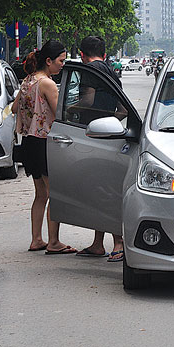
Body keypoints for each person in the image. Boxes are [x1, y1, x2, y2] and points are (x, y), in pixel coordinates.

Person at [12, 40, 77, 255]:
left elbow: (14, 108)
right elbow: (61, 113)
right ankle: (54, 241)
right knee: (54, 193)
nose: (62, 65)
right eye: (60, 61)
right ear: (48, 61)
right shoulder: (47, 83)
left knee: (41, 193)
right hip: (45, 142)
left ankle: (36, 239)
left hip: (29, 142)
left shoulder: (27, 81)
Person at [74, 35, 125, 262]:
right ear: (104, 53)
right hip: (110, 134)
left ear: (82, 54)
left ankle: (118, 243)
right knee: (100, 188)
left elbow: (86, 101)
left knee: (103, 190)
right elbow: (123, 110)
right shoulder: (112, 72)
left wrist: (67, 111)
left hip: (93, 136)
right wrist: (110, 123)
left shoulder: (89, 71)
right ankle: (97, 244)